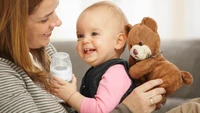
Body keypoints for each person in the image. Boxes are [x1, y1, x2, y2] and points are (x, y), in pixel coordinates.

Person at [0, 0, 166, 113]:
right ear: (14, 24)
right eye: (45, 18)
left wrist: (70, 97)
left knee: (193, 106)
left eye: (54, 10)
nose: (58, 22)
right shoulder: (4, 76)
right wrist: (128, 109)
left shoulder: (44, 50)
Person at [50, 1, 165, 113]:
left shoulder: (116, 73)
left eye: (94, 33)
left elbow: (100, 110)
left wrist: (71, 96)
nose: (85, 40)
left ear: (118, 41)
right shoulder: (102, 69)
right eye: (80, 35)